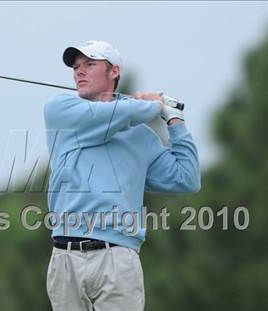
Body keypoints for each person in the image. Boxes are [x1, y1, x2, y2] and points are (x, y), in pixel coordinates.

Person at [43, 40, 200, 311]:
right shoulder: (61, 111)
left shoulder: (141, 136)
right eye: (76, 67)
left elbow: (186, 178)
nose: (79, 71)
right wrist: (156, 106)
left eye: (90, 64)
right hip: (65, 257)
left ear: (114, 71)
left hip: (117, 258)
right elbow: (117, 112)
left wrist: (175, 120)